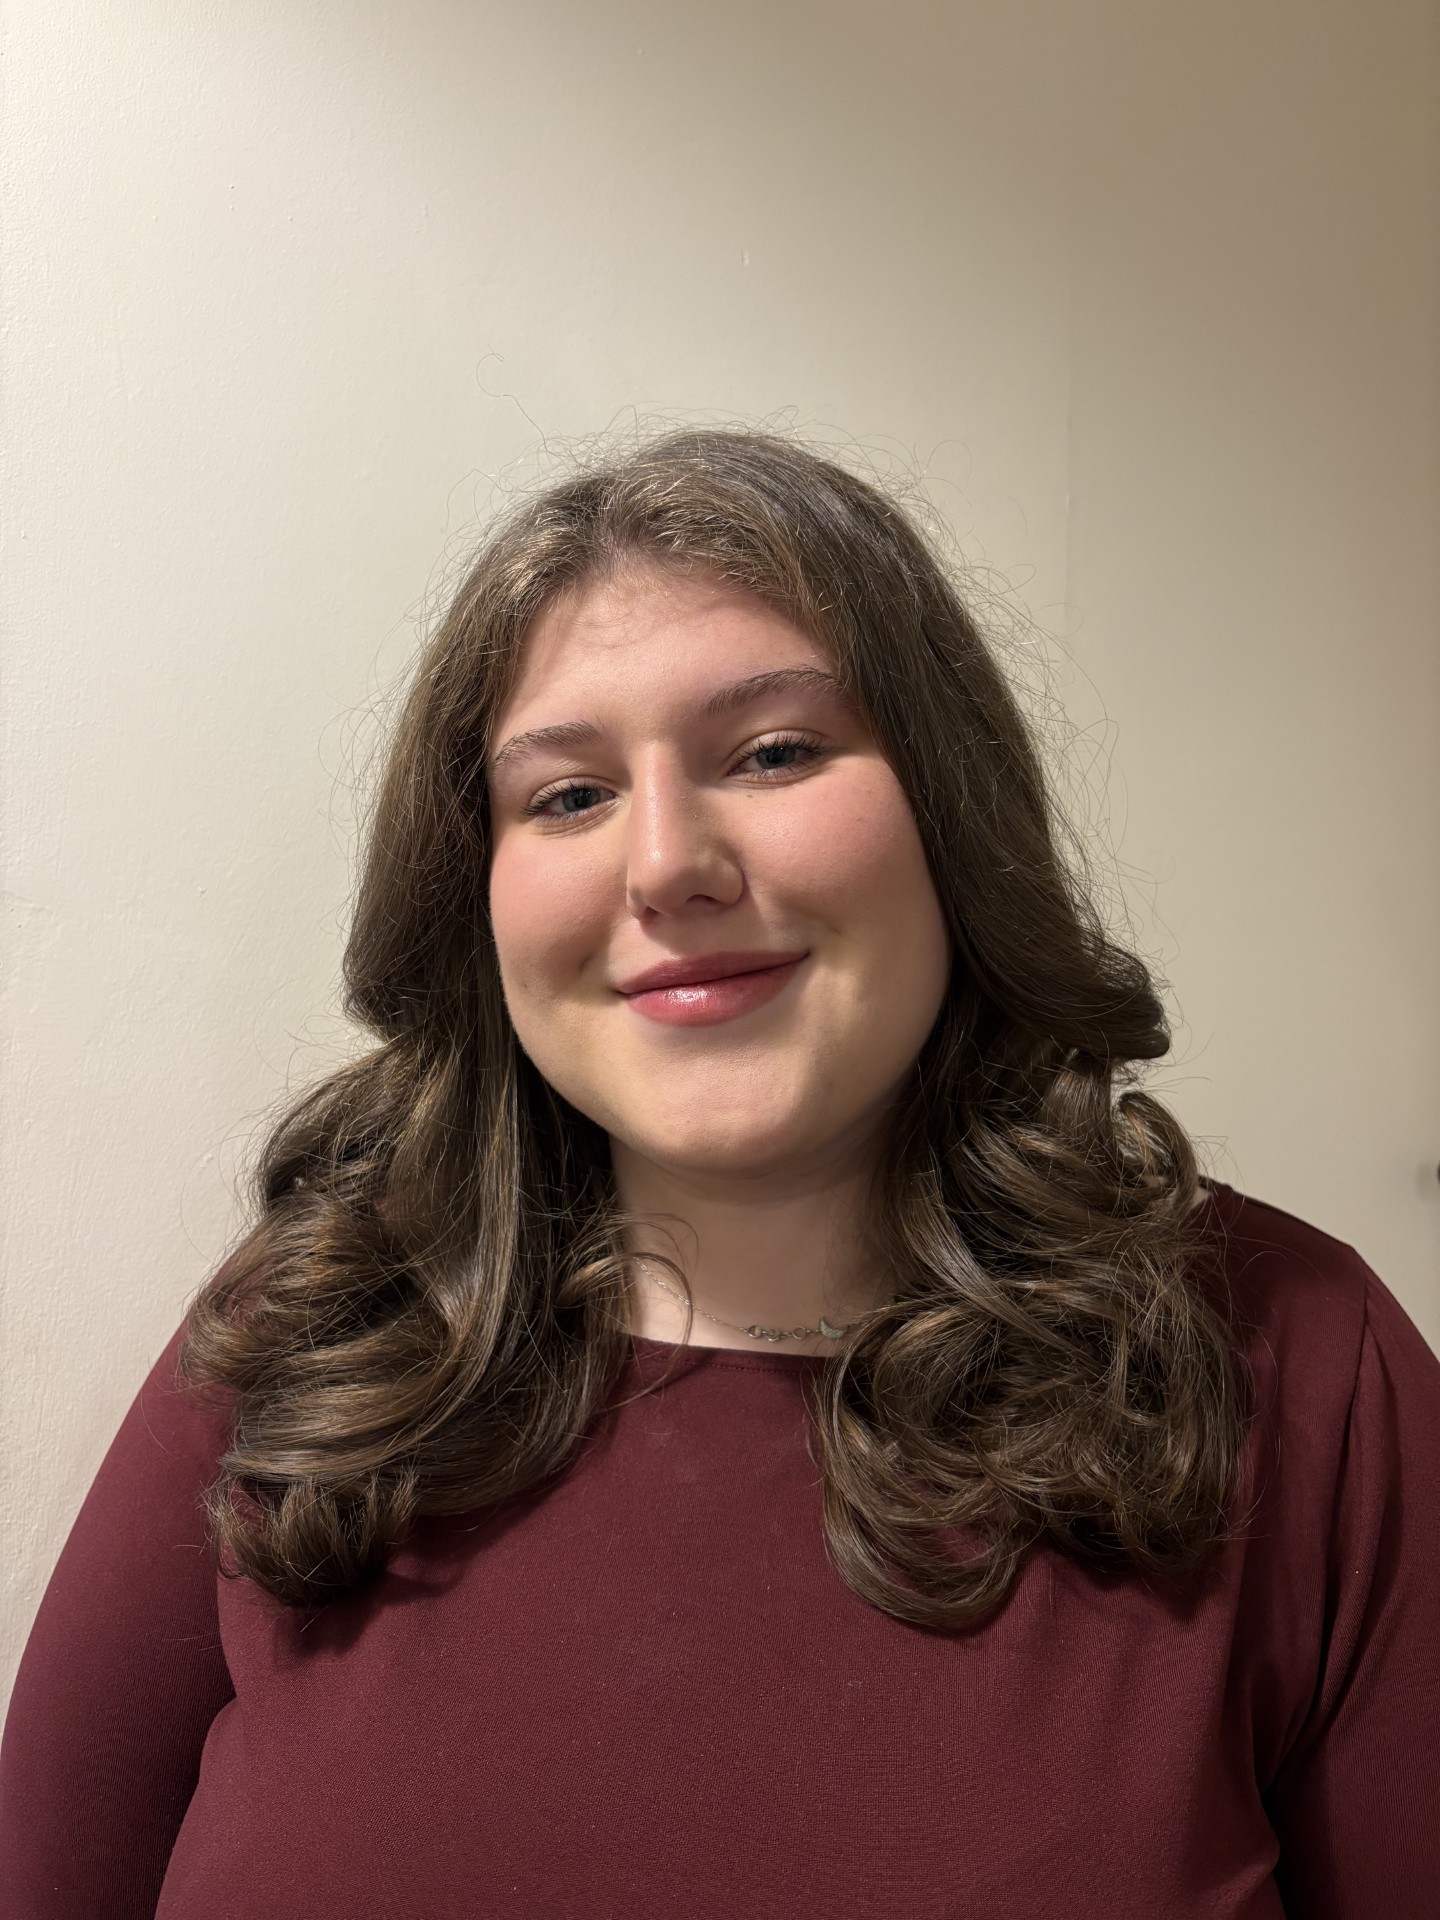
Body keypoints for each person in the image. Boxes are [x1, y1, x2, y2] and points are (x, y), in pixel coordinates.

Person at [2, 429, 1436, 1918]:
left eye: (773, 753)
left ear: (952, 816)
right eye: (567, 796)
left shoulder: (1298, 1365)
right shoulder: (313, 1344)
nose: (665, 864)